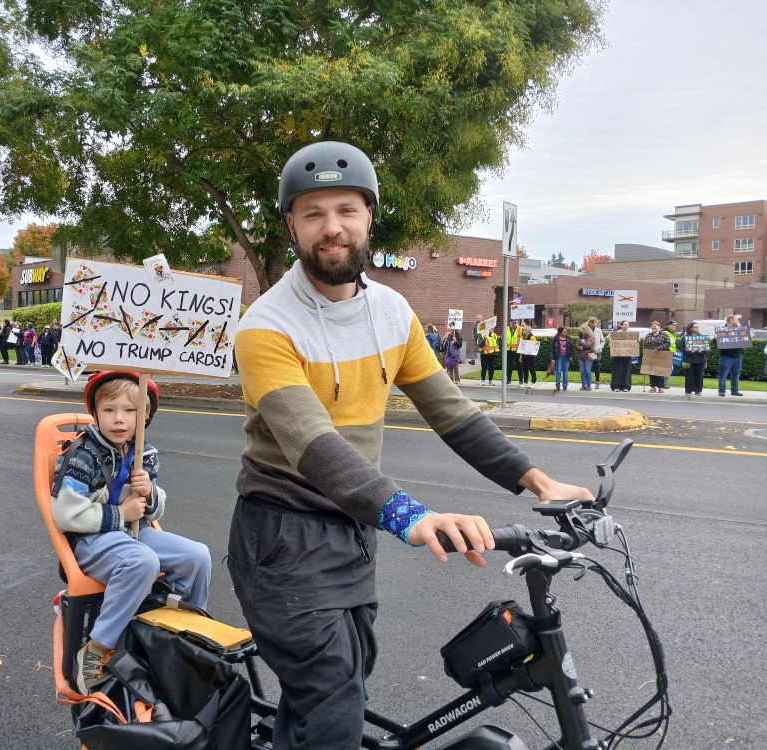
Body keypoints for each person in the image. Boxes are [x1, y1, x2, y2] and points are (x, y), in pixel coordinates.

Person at [228, 141, 592, 750]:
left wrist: (537, 480)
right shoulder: (266, 325)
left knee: (337, 685)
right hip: (283, 534)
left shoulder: (393, 312)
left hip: (350, 531)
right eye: (313, 213)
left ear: (370, 215)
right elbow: (317, 447)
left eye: (346, 209)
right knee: (332, 702)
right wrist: (410, 516)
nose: (332, 228)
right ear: (291, 224)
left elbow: (451, 411)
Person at [51, 371, 211, 694]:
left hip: (131, 534)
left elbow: (151, 511)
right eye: (109, 410)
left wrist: (150, 493)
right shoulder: (83, 455)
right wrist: (120, 513)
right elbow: (66, 515)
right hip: (91, 541)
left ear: (146, 415)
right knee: (144, 561)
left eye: (130, 411)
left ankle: (182, 635)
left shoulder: (144, 453)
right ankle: (97, 648)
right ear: (96, 414)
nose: (119, 419)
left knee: (198, 556)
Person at [717, 314, 745, 397]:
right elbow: (718, 343)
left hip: (738, 355)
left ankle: (734, 390)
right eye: (735, 320)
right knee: (723, 374)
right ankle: (722, 390)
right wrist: (717, 338)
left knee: (736, 374)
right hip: (726, 356)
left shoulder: (739, 330)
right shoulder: (723, 330)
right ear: (730, 321)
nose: (737, 321)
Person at [680, 321, 707, 396]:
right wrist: (688, 351)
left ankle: (698, 391)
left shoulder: (702, 337)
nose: (697, 328)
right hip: (688, 360)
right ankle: (688, 390)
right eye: (696, 327)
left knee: (699, 375)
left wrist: (702, 350)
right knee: (689, 375)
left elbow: (706, 349)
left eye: (698, 327)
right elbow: (681, 347)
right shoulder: (686, 337)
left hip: (700, 360)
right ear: (691, 328)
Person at [642, 321, 670, 393]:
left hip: (661, 356)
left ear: (659, 327)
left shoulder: (664, 335)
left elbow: (668, 343)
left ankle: (660, 387)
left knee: (660, 372)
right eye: (652, 326)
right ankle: (652, 387)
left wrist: (659, 348)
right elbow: (645, 345)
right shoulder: (648, 335)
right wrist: (645, 354)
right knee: (651, 372)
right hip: (651, 357)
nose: (653, 327)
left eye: (655, 326)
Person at [609, 320, 634, 392]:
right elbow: (611, 340)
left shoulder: (631, 334)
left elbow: (634, 343)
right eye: (625, 324)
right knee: (617, 371)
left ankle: (626, 386)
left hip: (627, 355)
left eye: (628, 324)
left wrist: (637, 341)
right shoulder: (617, 333)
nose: (627, 325)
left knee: (627, 371)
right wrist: (611, 340)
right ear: (621, 325)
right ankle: (616, 386)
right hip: (618, 355)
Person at [551, 326, 571, 392]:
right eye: (564, 331)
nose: (566, 332)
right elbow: (552, 349)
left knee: (565, 372)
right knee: (558, 371)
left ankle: (565, 386)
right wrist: (552, 358)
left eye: (566, 331)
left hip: (566, 357)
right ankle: (558, 385)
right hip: (559, 357)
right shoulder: (555, 339)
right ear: (560, 332)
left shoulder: (568, 338)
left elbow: (571, 348)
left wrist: (571, 355)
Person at [576, 323, 595, 391]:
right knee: (582, 371)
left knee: (587, 370)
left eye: (581, 330)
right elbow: (577, 345)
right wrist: (579, 347)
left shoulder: (591, 337)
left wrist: (583, 343)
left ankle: (589, 385)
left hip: (588, 356)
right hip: (581, 356)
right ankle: (584, 385)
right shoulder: (580, 337)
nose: (580, 332)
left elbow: (588, 346)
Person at [589, 317, 605, 385]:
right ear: (592, 323)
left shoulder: (598, 330)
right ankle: (588, 382)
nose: (597, 324)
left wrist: (600, 347)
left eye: (598, 323)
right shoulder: (587, 329)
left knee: (597, 367)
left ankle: (597, 381)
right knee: (588, 367)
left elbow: (603, 340)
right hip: (588, 351)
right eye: (596, 322)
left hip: (597, 352)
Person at [504, 319, 520, 385]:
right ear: (510, 323)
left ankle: (521, 380)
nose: (514, 324)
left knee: (519, 365)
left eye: (515, 323)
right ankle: (508, 380)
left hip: (517, 350)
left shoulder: (520, 329)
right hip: (508, 350)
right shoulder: (506, 329)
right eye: (513, 323)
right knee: (509, 366)